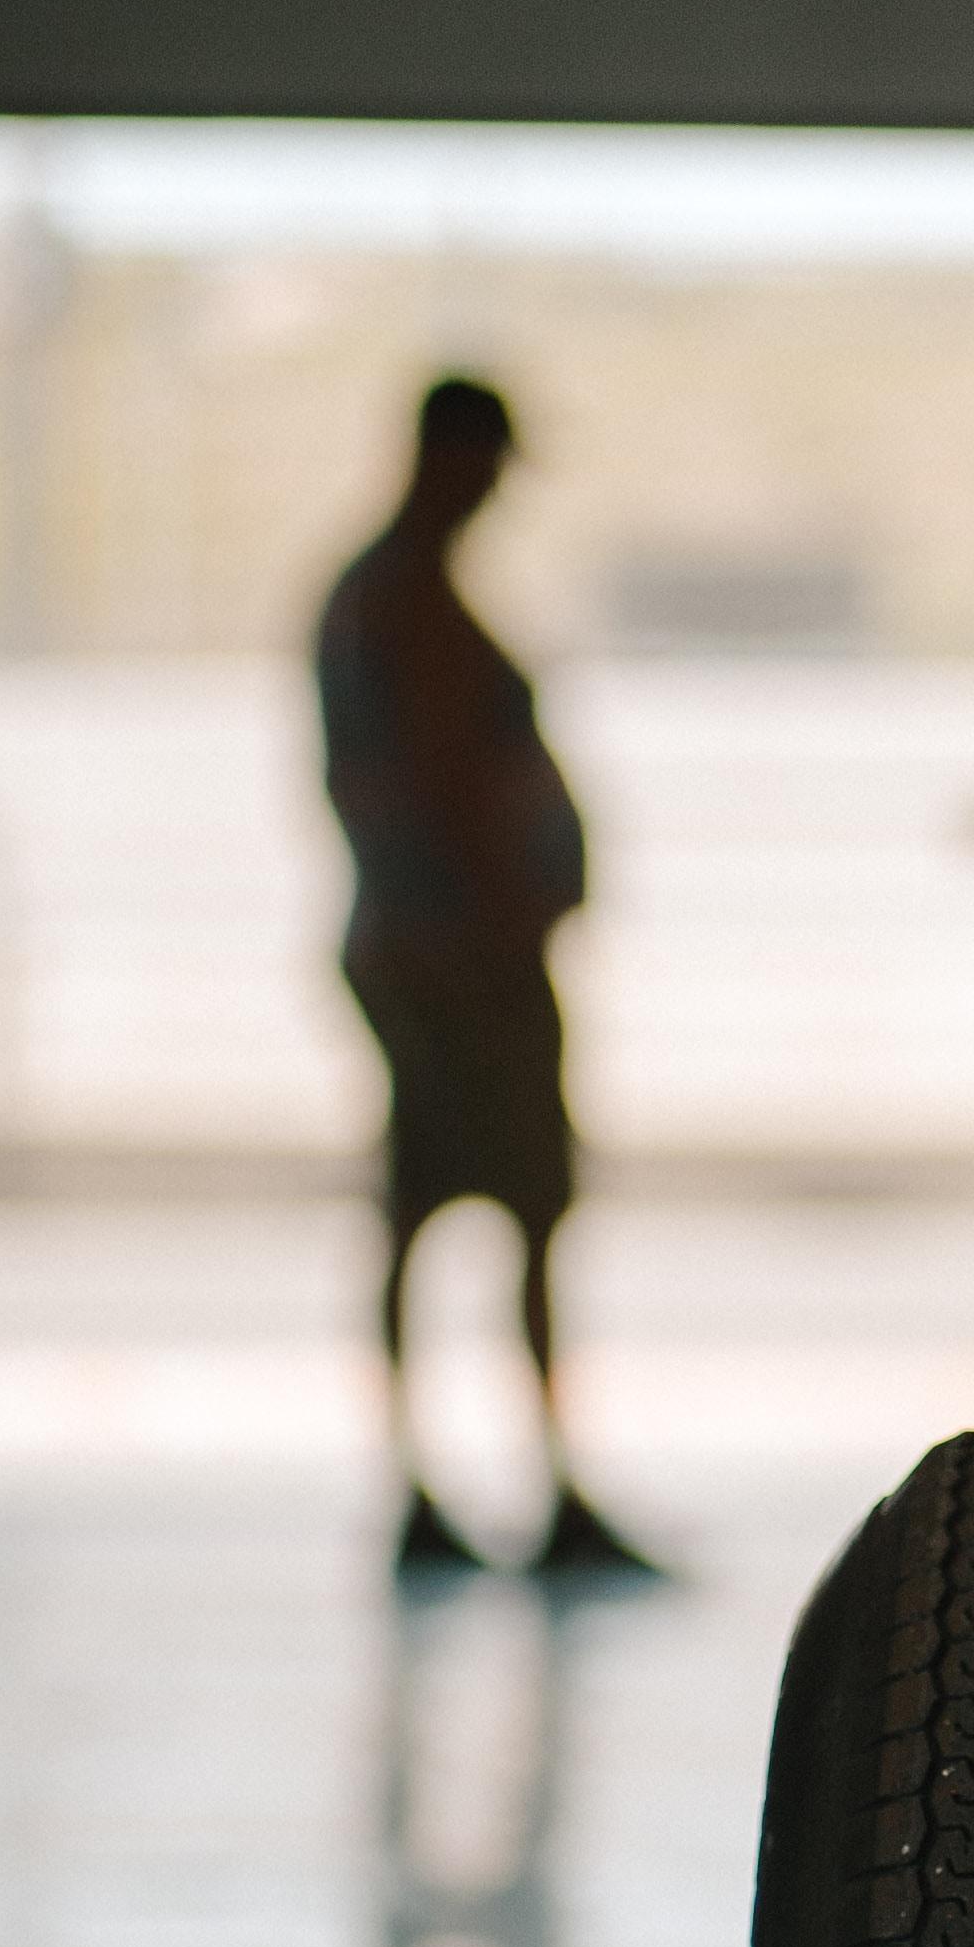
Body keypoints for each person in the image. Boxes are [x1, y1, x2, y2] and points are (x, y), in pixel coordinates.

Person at [313, 374, 658, 1584]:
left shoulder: (390, 596)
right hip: (460, 965)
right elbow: (447, 781)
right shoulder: (402, 603)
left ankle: (466, 1477)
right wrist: (506, 914)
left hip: (439, 954)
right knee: (500, 1207)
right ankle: (514, 1481)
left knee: (455, 1211)